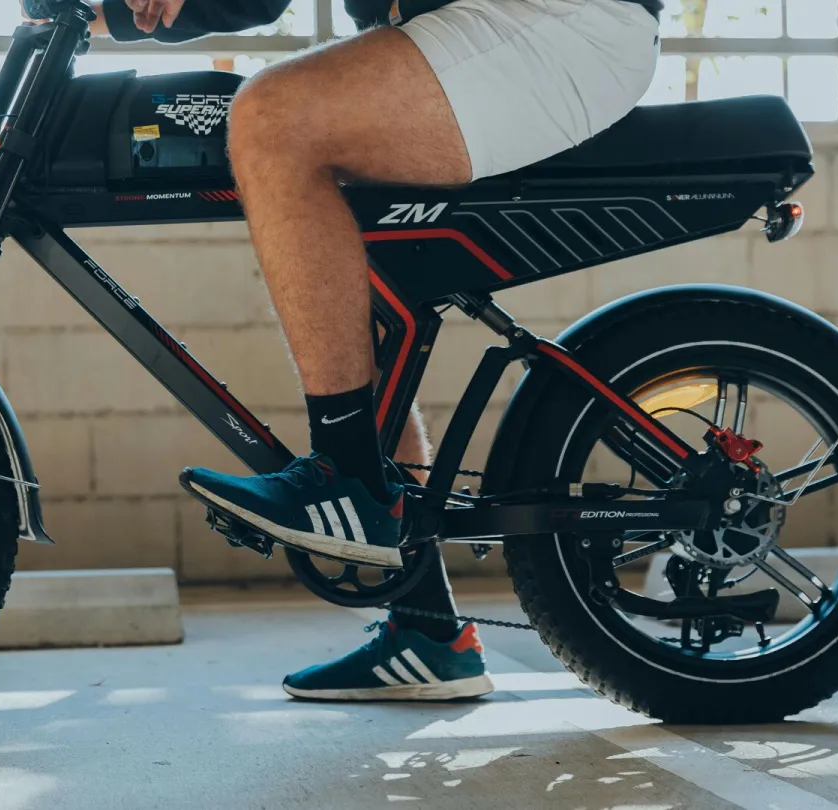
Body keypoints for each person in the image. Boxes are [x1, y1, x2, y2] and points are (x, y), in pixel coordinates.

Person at [95, 0, 661, 701]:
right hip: (478, 30)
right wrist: (110, 13)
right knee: (363, 303)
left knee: (272, 117)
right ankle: (428, 630)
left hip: (559, 20)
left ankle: (350, 475)